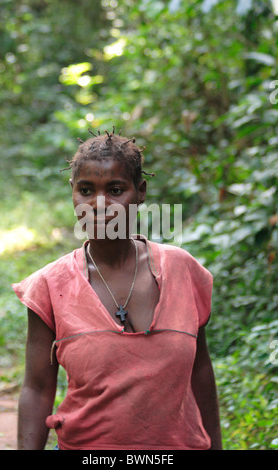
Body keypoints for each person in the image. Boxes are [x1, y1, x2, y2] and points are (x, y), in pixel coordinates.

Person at [12, 128, 222, 450]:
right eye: (85, 190)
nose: (99, 204)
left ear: (140, 192)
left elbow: (201, 372)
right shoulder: (50, 286)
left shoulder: (182, 271)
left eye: (115, 189)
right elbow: (37, 390)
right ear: (73, 193)